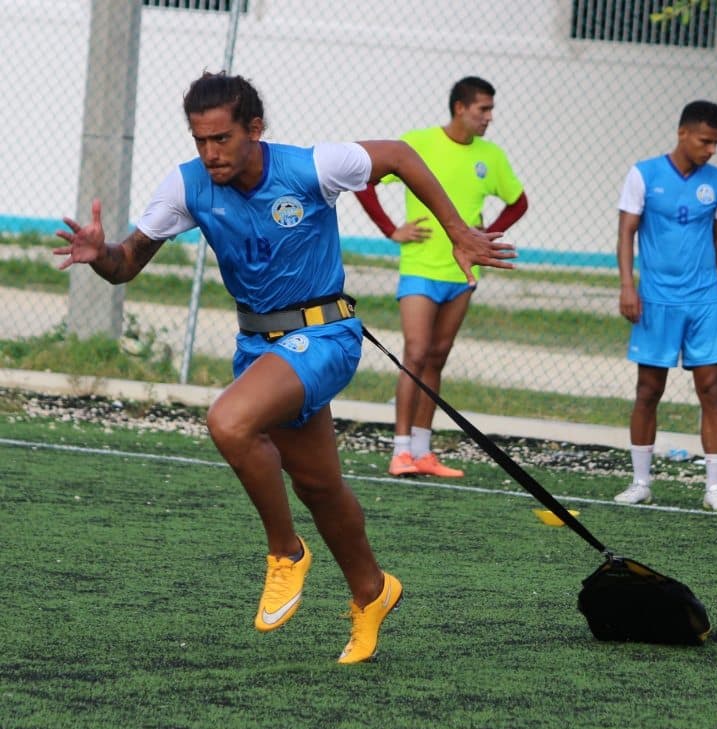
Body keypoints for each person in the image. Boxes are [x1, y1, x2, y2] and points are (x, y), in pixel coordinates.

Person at [52, 72, 515, 664]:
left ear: (254, 129)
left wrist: (457, 232)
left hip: (324, 336)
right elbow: (126, 265)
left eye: (222, 138)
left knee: (229, 421)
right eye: (200, 140)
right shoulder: (188, 186)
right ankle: (372, 591)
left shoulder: (312, 168)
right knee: (319, 485)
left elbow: (399, 156)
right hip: (260, 348)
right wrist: (101, 255)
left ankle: (285, 552)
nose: (210, 153)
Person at [354, 76, 528, 479]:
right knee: (415, 353)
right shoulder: (418, 144)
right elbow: (365, 182)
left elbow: (518, 202)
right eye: (483, 109)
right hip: (420, 268)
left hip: (462, 273)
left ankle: (422, 451)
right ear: (460, 108)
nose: (489, 117)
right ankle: (400, 451)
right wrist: (390, 229)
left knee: (437, 356)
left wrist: (485, 236)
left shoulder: (491, 156)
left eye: (491, 109)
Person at [613, 100, 717, 512]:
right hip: (656, 300)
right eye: (705, 141)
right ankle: (640, 482)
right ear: (682, 133)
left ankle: (715, 488)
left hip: (703, 300)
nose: (711, 150)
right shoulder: (643, 174)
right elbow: (626, 233)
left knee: (711, 390)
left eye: (716, 143)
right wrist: (627, 287)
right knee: (649, 390)